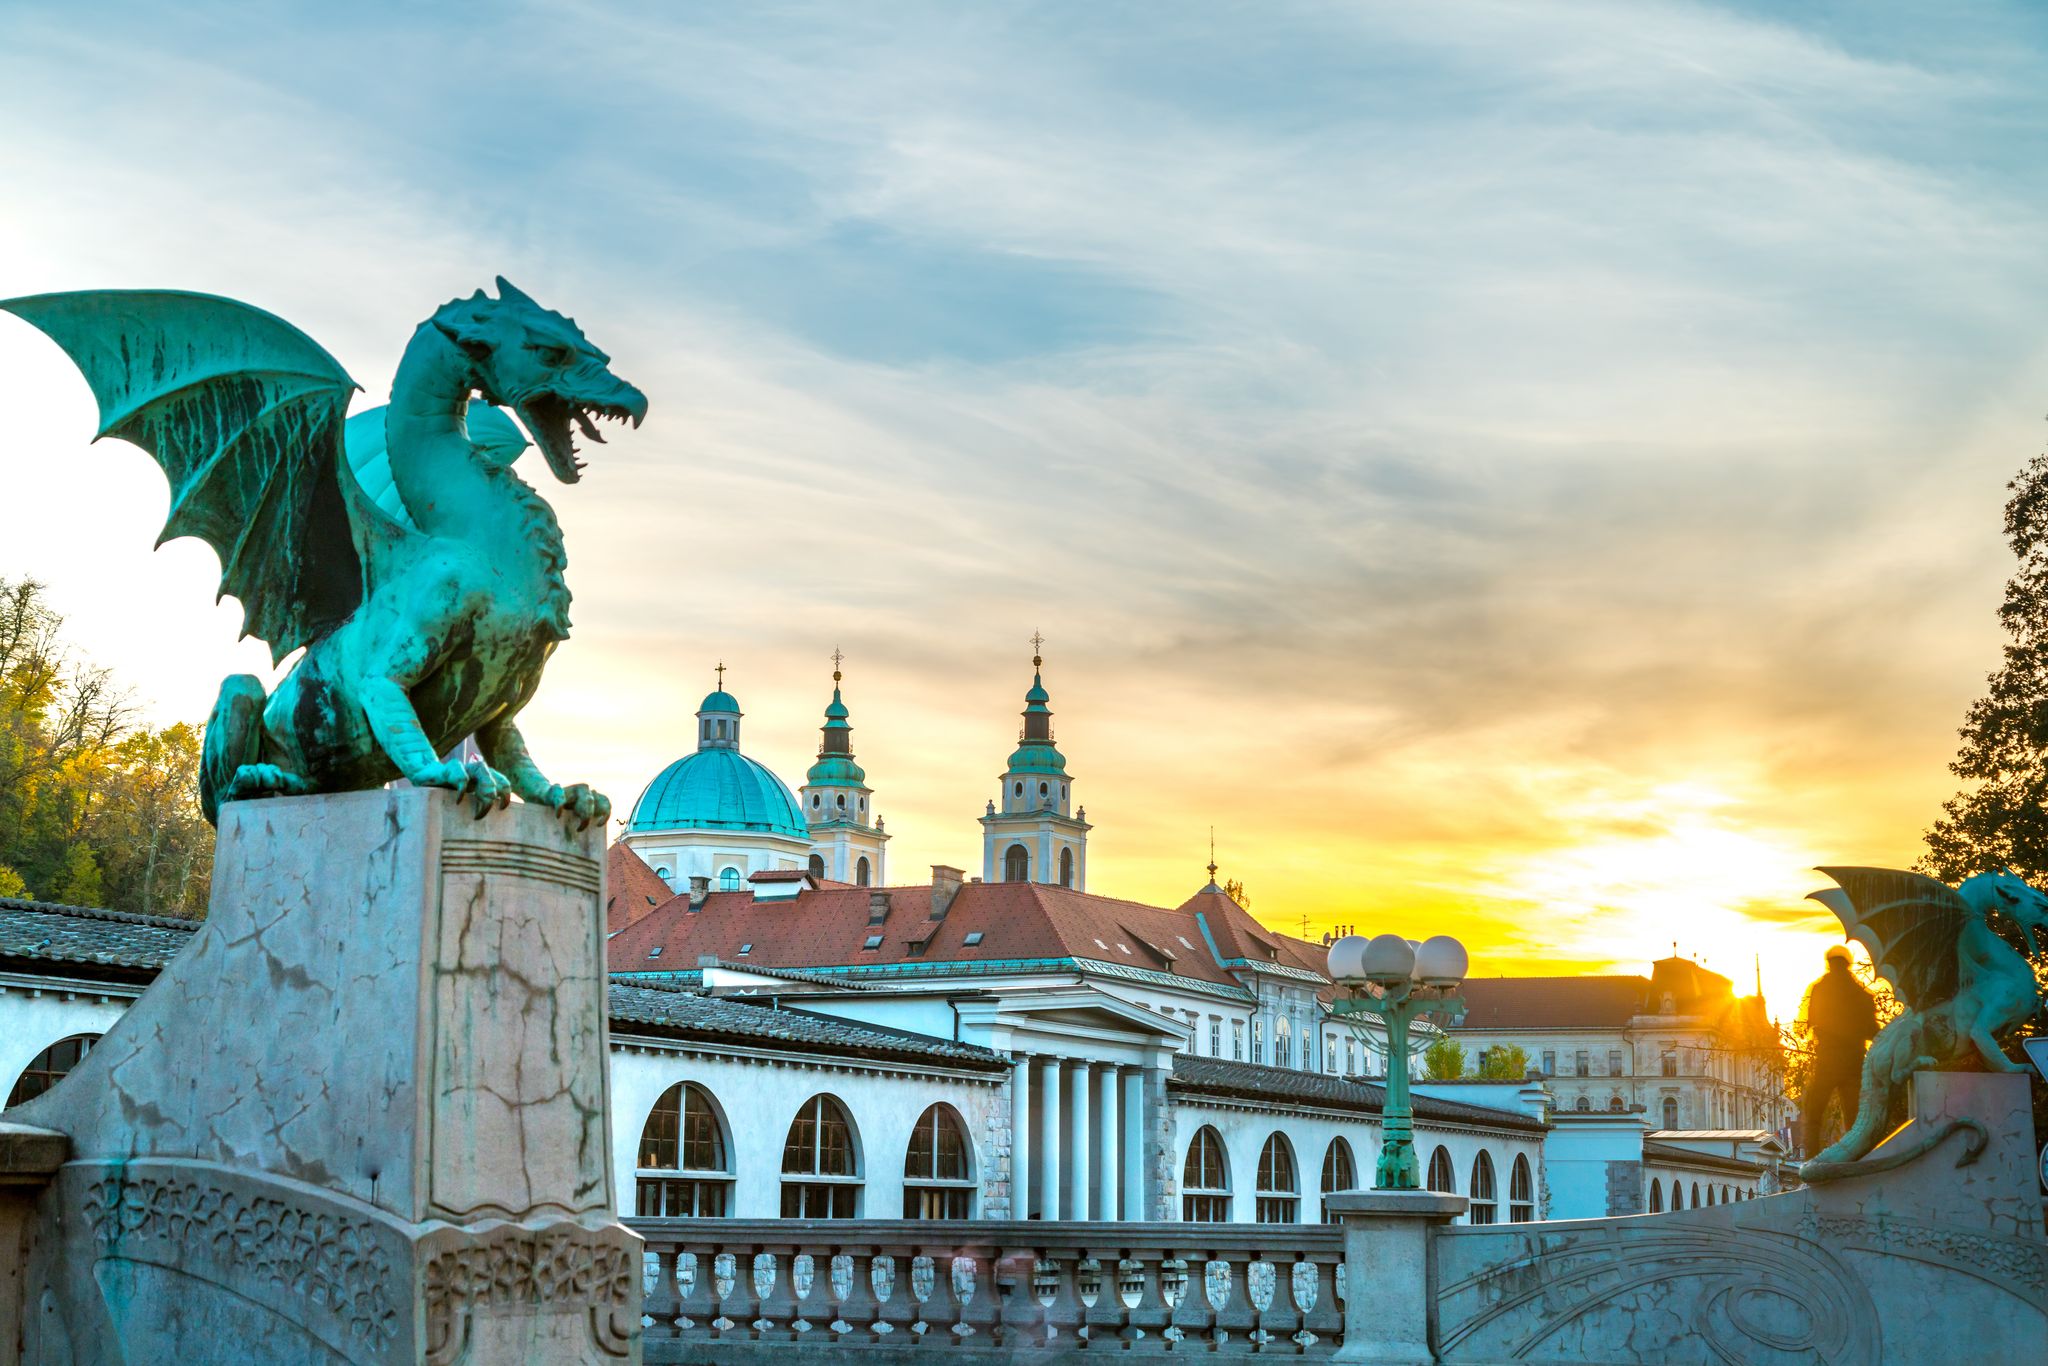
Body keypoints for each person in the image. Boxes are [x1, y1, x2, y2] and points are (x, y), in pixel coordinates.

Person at [1799, 944, 1879, 1158]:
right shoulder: (1862, 995)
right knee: (1854, 1114)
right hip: (1853, 1061)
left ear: (1830, 964)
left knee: (1814, 1110)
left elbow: (1812, 1022)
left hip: (1828, 1060)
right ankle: (1857, 1156)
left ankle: (1811, 1157)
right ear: (1848, 965)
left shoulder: (1820, 990)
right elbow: (1873, 1031)